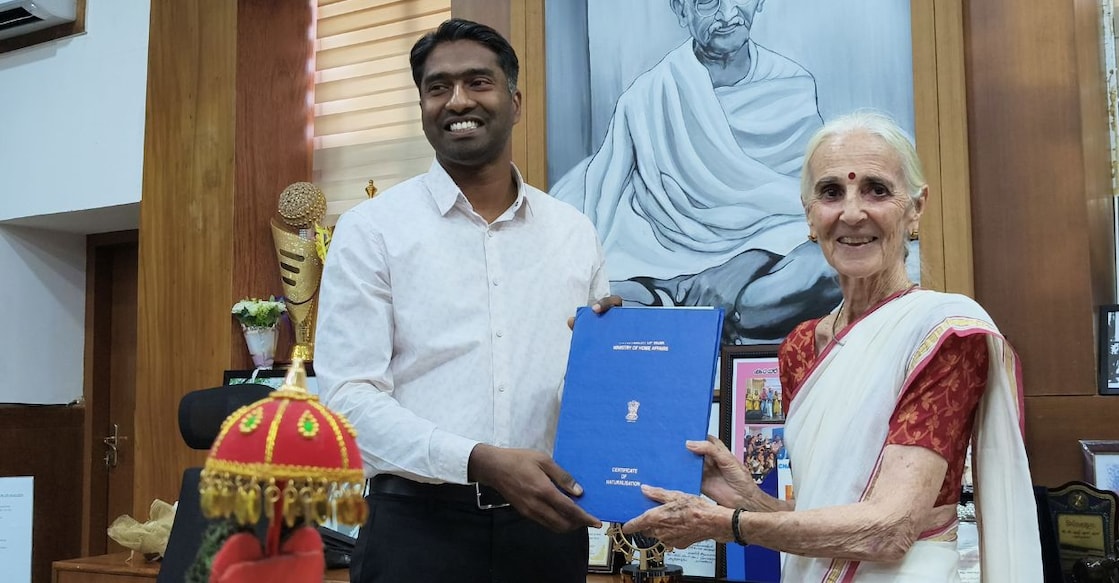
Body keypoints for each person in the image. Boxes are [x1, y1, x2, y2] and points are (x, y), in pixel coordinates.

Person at [622, 111, 1043, 581]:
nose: (852, 213)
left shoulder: (942, 334)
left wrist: (726, 524)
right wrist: (744, 498)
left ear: (915, 208)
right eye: (831, 192)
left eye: (876, 190)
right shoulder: (800, 347)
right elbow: (825, 519)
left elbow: (889, 529)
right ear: (809, 214)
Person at [315, 19, 617, 583]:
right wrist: (477, 460)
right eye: (438, 87)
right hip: (416, 530)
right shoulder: (372, 230)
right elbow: (348, 402)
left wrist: (613, 357)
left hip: (546, 530)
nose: (457, 101)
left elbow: (587, 398)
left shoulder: (573, 232)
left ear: (514, 102)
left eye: (478, 82)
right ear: (423, 107)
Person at [551, 0, 840, 344]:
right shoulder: (647, 97)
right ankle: (693, 304)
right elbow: (604, 200)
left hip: (765, 265)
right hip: (667, 260)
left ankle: (683, 309)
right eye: (707, 2)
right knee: (601, 297)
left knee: (830, 268)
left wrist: (747, 261)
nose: (728, 14)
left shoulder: (792, 86)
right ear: (681, 9)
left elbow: (811, 208)